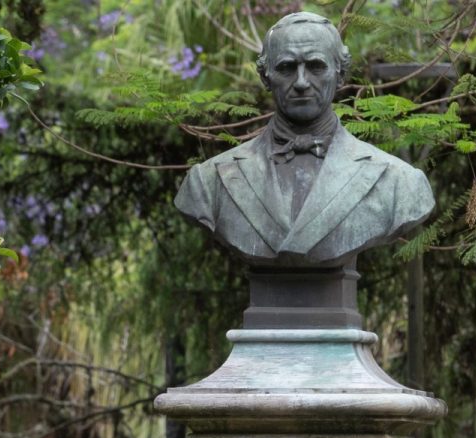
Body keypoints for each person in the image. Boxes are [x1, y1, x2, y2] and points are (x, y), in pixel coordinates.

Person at [172, 11, 434, 266]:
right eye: (286, 68)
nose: (301, 82)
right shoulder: (208, 183)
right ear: (265, 76)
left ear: (340, 74)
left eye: (315, 66)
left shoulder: (399, 184)